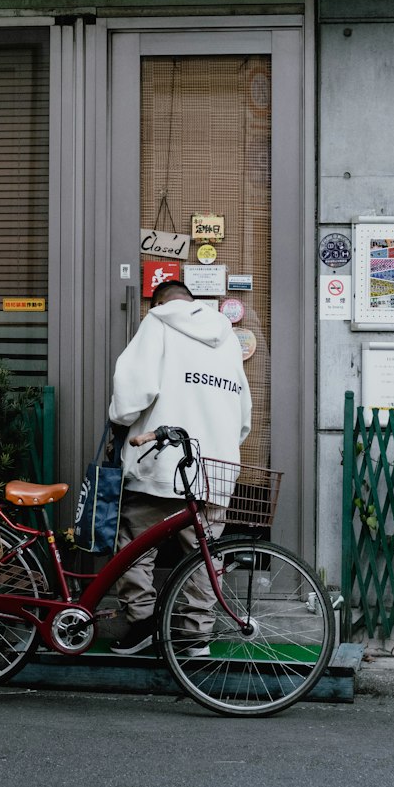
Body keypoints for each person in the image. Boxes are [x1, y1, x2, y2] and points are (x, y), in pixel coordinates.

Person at [108, 279, 252, 655]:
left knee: (134, 546)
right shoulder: (225, 336)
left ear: (157, 303)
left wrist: (120, 420)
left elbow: (130, 395)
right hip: (214, 466)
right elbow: (244, 416)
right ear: (192, 301)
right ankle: (194, 636)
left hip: (162, 465)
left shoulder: (157, 323)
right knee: (204, 553)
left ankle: (141, 625)